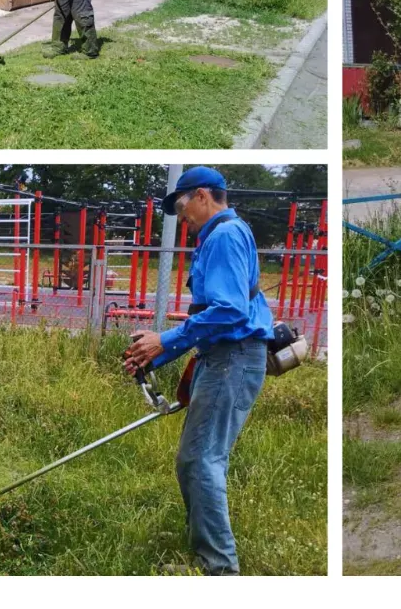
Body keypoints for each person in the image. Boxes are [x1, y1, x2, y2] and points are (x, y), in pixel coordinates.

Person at [122, 167, 274, 575]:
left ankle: (220, 571)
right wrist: (157, 353)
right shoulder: (222, 235)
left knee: (203, 460)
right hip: (224, 357)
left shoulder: (224, 235)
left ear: (203, 195)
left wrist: (165, 340)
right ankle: (206, 557)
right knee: (194, 459)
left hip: (233, 359)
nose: (183, 217)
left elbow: (229, 312)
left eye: (183, 205)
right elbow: (212, 315)